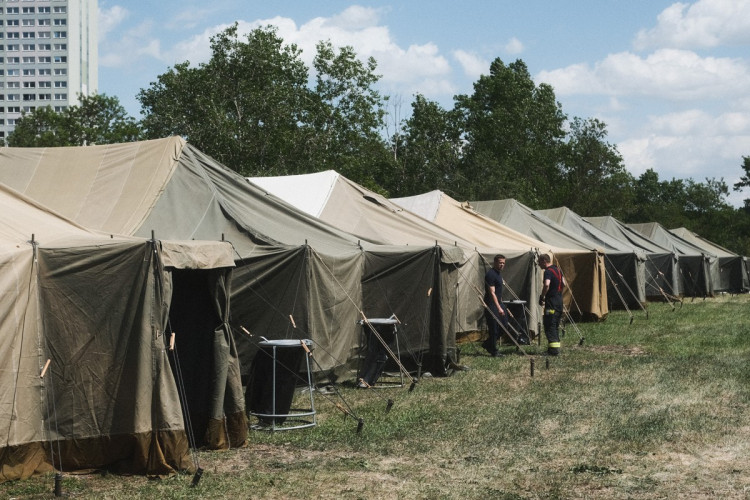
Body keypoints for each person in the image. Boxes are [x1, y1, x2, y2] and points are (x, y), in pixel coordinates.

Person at [538, 253, 566, 356]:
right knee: (555, 324)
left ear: (544, 261)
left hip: (551, 302)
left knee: (550, 324)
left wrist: (542, 296)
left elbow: (546, 284)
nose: (539, 265)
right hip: (559, 301)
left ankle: (553, 351)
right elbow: (564, 283)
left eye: (539, 262)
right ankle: (554, 349)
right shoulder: (557, 270)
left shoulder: (548, 272)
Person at [483, 254, 509, 357]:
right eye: (500, 263)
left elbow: (498, 292)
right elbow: (492, 293)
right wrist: (498, 307)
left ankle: (487, 344)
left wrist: (501, 304)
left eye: (503, 263)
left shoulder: (498, 274)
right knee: (494, 328)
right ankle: (493, 351)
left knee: (504, 326)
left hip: (499, 303)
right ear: (495, 262)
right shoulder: (491, 274)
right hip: (492, 305)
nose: (502, 265)